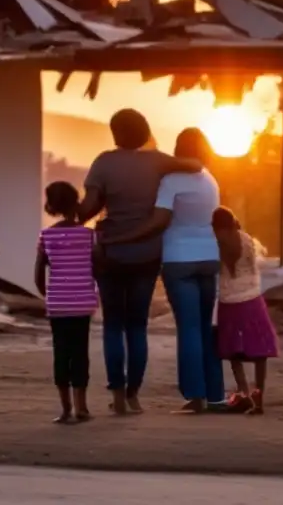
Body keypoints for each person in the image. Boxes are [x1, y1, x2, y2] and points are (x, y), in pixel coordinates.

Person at [76, 109, 202, 415]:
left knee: (112, 326)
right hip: (146, 254)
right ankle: (133, 396)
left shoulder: (103, 162)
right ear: (145, 131)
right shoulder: (157, 161)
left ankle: (117, 397)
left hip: (110, 255)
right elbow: (196, 165)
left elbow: (87, 210)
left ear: (115, 133)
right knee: (137, 326)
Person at [107, 127, 225, 414]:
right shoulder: (210, 179)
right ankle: (215, 395)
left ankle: (195, 396)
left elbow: (159, 220)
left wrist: (124, 236)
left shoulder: (171, 181)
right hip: (210, 257)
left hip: (179, 259)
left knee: (189, 328)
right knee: (206, 329)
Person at [34, 182, 98, 423]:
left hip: (58, 305)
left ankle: (65, 409)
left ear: (51, 206)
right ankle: (82, 407)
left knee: (61, 353)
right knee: (80, 353)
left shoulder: (47, 235)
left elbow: (39, 271)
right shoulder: (88, 235)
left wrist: (48, 294)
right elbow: (98, 266)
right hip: (82, 303)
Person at [212, 207, 279, 415]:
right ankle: (259, 400)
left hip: (229, 301)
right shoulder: (247, 241)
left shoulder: (215, 246)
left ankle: (244, 394)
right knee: (260, 352)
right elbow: (254, 266)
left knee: (234, 352)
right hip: (252, 300)